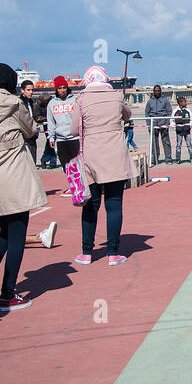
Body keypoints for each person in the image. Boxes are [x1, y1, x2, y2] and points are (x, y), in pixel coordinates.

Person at [0, 64, 48, 310]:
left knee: (4, 232)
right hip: (14, 170)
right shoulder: (13, 104)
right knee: (18, 233)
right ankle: (9, 292)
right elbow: (30, 130)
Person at [74, 66, 134, 266]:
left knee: (91, 205)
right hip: (115, 154)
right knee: (114, 204)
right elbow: (127, 115)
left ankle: (86, 252)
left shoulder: (81, 99)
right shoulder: (116, 96)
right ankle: (112, 253)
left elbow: (74, 128)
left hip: (91, 155)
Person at [46, 76, 79, 168]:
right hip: (61, 140)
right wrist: (51, 138)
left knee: (78, 167)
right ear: (56, 89)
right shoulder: (52, 103)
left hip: (75, 139)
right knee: (66, 168)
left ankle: (80, 183)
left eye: (64, 87)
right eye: (59, 88)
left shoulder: (75, 100)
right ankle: (70, 183)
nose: (62, 90)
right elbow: (51, 122)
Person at [145, 85, 173, 165]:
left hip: (163, 123)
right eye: (155, 91)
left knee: (166, 141)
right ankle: (155, 159)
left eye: (158, 91)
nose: (157, 92)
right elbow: (147, 113)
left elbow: (169, 112)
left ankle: (168, 159)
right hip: (153, 124)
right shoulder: (150, 101)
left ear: (161, 91)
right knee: (154, 143)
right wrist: (148, 123)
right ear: (153, 91)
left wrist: (167, 122)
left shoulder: (165, 100)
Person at [19, 80, 39, 164]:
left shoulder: (31, 102)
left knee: (33, 163)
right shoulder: (20, 103)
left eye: (32, 90)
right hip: (23, 137)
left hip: (32, 136)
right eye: (28, 90)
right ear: (22, 90)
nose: (31, 92)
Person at [174, 96, 192, 163]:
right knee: (178, 145)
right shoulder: (175, 111)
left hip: (187, 131)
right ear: (180, 103)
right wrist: (175, 128)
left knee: (189, 144)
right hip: (179, 131)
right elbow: (172, 120)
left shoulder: (188, 110)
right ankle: (178, 159)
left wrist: (189, 126)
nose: (186, 103)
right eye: (184, 101)